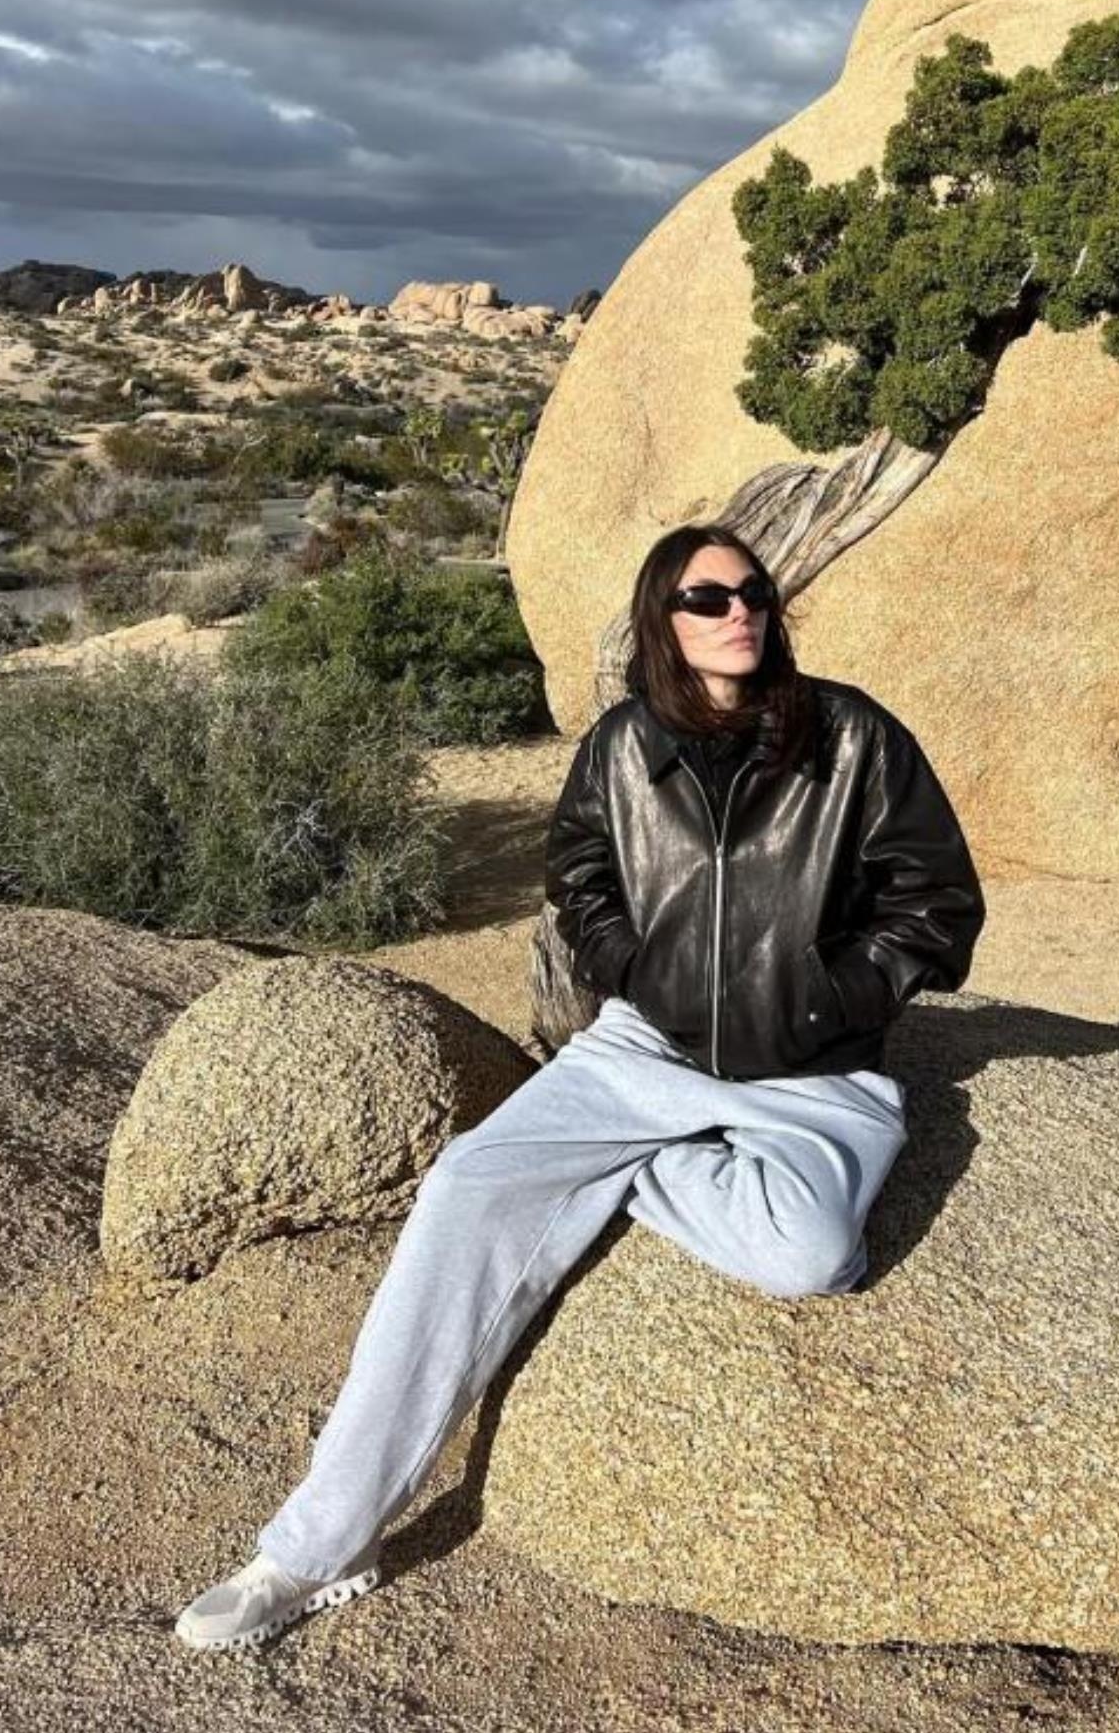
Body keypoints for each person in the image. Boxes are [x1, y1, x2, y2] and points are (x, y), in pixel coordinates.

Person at [174, 520, 985, 1652]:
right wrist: (632, 969)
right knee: (464, 1185)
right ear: (665, 617)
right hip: (640, 1050)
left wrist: (829, 998)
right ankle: (312, 1547)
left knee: (811, 1254)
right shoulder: (619, 745)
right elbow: (581, 875)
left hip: (810, 1062)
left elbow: (936, 905)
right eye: (707, 599)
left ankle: (612, 1171)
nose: (738, 612)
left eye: (752, 592)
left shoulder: (852, 735)